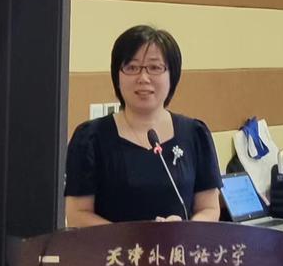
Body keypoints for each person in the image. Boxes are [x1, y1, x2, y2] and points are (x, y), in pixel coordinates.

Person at [65, 25, 222, 227]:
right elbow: (77, 214)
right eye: (132, 67)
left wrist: (184, 229)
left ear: (172, 75)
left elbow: (209, 208)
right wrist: (134, 238)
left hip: (180, 246)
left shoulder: (195, 134)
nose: (143, 78)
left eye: (155, 68)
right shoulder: (90, 138)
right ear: (117, 76)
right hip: (114, 247)